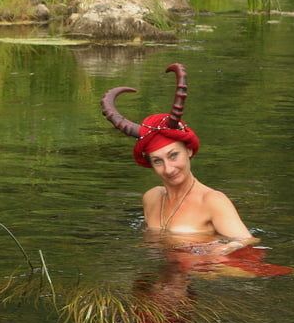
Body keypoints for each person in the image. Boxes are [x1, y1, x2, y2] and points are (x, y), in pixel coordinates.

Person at [101, 62, 258, 255]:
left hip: (201, 276)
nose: (168, 168)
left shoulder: (213, 200)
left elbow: (248, 242)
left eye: (173, 155)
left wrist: (220, 249)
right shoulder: (151, 198)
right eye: (157, 161)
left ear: (189, 151)